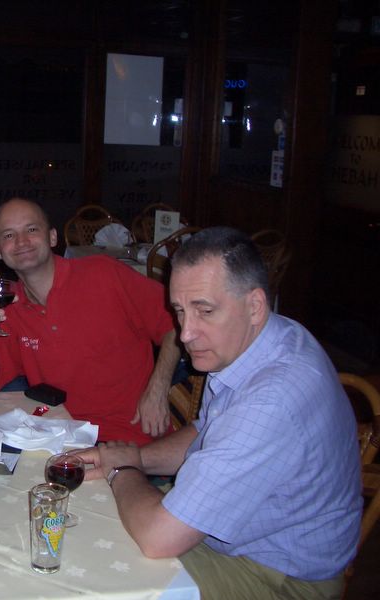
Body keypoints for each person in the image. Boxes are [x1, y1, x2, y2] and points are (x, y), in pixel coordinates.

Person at [74, 226, 362, 599]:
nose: (185, 334)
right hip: (242, 541)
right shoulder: (265, 339)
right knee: (86, 527)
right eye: (180, 311)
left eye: (205, 311)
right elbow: (207, 431)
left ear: (255, 305)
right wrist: (136, 458)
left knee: (98, 574)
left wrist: (122, 469)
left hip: (279, 577)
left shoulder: (271, 400)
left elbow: (159, 538)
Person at [0, 197, 179, 444]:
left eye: (31, 229)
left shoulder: (104, 274)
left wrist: (158, 389)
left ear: (52, 237)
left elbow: (175, 323)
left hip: (132, 439)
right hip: (61, 439)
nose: (21, 241)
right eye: (9, 235)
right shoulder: (11, 304)